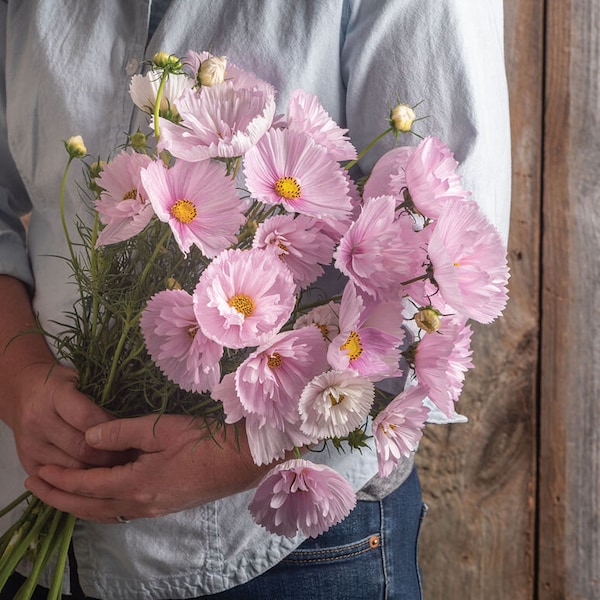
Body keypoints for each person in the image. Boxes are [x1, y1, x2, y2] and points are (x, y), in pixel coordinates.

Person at [0, 1, 511, 598]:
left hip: (282, 543)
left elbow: (442, 272)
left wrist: (238, 453)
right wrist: (18, 376)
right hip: (37, 519)